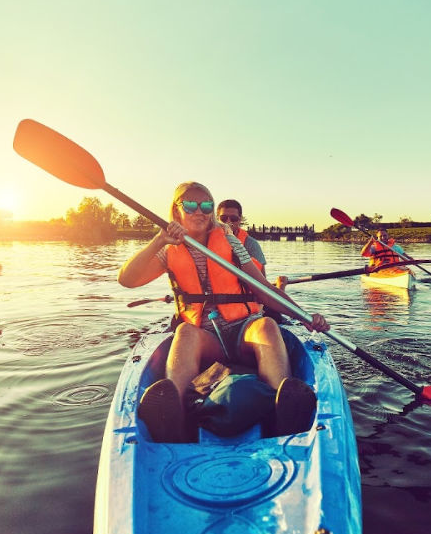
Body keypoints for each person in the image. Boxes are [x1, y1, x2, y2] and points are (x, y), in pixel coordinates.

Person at [118, 181, 329, 443]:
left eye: (206, 204)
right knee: (184, 331)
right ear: (176, 210)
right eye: (190, 204)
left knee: (267, 326)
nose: (200, 211)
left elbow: (264, 290)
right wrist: (159, 239)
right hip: (207, 339)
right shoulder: (167, 248)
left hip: (243, 331)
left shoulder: (231, 241)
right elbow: (127, 279)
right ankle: (176, 415)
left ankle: (281, 407)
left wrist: (305, 318)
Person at [217, 199, 266, 275]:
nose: (228, 222)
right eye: (223, 218)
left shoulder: (251, 244)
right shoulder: (205, 241)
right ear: (217, 219)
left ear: (240, 220)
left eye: (233, 219)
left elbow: (262, 278)